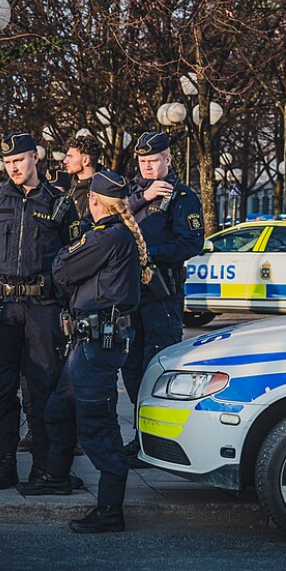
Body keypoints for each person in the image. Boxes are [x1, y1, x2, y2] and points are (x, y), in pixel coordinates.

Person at [0, 133, 80, 491]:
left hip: (42, 308)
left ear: (36, 157)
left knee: (42, 389)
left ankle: (43, 467)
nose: (14, 167)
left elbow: (74, 254)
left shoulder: (60, 203)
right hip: (2, 308)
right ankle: (5, 465)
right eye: (8, 162)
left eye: (20, 160)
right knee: (1, 390)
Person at [43, 169, 147, 533]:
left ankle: (109, 510)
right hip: (91, 342)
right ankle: (56, 476)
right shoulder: (119, 234)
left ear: (94, 201)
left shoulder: (106, 236)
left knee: (98, 427)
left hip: (97, 345)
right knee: (59, 408)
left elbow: (62, 267)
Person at [122, 131, 204, 466]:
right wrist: (142, 198)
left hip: (162, 292)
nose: (149, 166)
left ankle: (155, 439)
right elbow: (110, 220)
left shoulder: (183, 197)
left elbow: (191, 243)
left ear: (168, 160)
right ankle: (142, 434)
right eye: (143, 161)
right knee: (129, 366)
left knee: (158, 365)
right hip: (129, 292)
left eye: (154, 160)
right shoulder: (132, 193)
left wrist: (147, 254)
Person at [60, 132, 104, 220]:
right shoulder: (69, 188)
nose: (65, 161)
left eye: (70, 157)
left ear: (85, 160)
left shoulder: (103, 190)